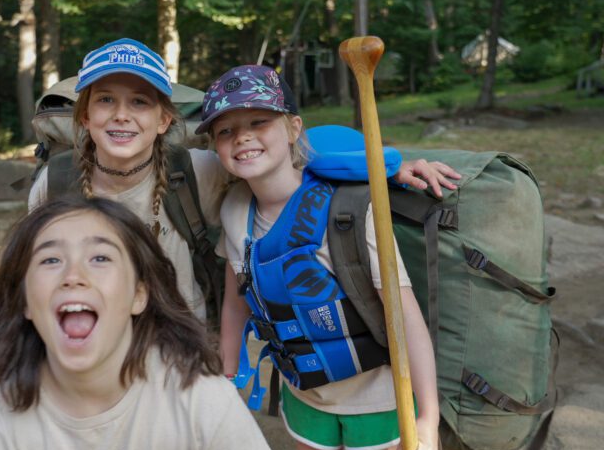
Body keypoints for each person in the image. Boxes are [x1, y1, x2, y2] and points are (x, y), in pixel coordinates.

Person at [28, 37, 459, 321]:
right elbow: (32, 266)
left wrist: (387, 166)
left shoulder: (197, 171)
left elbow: (281, 157)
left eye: (139, 102)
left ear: (163, 120)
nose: (121, 114)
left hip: (183, 347)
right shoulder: (56, 181)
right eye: (105, 100)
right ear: (85, 115)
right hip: (89, 346)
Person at [196, 65, 450, 450]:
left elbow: (405, 316)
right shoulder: (235, 209)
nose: (243, 138)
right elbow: (239, 291)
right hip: (305, 389)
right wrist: (227, 369)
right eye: (226, 130)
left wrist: (428, 422)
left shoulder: (349, 210)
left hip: (377, 395)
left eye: (259, 122)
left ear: (293, 128)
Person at [0, 195, 309, 450]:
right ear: (24, 301)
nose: (73, 276)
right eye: (51, 259)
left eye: (100, 257)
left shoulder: (199, 399)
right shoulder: (2, 419)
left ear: (138, 295)